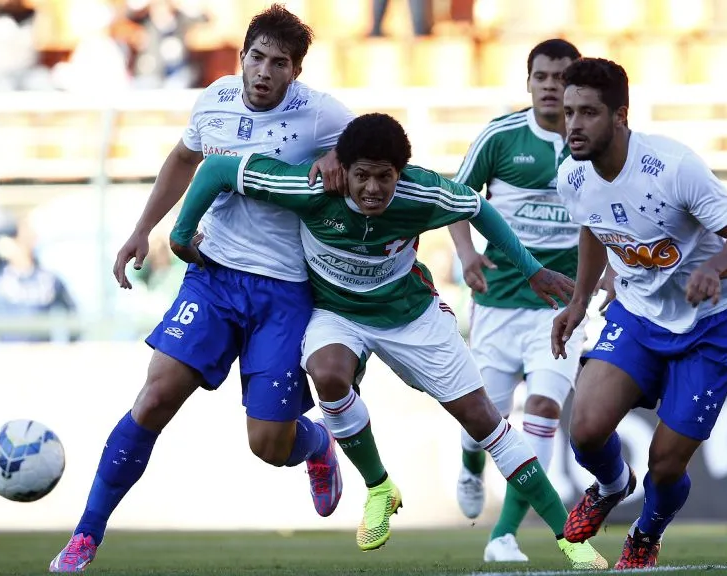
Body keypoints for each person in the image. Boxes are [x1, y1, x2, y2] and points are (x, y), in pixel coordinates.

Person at [168, 113, 609, 570]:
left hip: (410, 315)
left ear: (402, 173)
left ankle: (569, 539)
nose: (373, 188)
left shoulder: (424, 191)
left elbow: (478, 208)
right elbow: (218, 170)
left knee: (483, 420)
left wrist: (531, 269)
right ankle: (379, 486)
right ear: (344, 169)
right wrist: (181, 235)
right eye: (362, 176)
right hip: (337, 313)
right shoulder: (311, 187)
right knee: (328, 374)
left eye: (385, 177)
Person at [49, 6, 354, 572]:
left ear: (295, 73)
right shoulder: (213, 99)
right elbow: (185, 158)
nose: (264, 71)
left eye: (278, 63)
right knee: (156, 395)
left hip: (285, 293)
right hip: (212, 277)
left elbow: (372, 149)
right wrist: (143, 230)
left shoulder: (321, 115)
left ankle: (316, 446)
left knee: (268, 444)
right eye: (256, 57)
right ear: (241, 58)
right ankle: (86, 534)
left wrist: (342, 153)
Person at [550, 58, 727, 569]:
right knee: (585, 429)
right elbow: (592, 228)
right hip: (640, 313)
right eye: (569, 112)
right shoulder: (572, 177)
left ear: (621, 116)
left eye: (589, 113)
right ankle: (610, 486)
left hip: (713, 322)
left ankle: (647, 533)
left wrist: (713, 268)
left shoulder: (673, 167)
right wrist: (578, 302)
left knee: (665, 467)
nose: (574, 125)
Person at [448, 38, 585, 563]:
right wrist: (467, 256)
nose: (551, 86)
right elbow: (455, 201)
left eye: (561, 78)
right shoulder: (501, 137)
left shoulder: (590, 141)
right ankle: (470, 463)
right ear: (528, 82)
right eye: (542, 77)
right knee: (484, 418)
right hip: (499, 305)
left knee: (545, 409)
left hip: (563, 309)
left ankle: (503, 535)